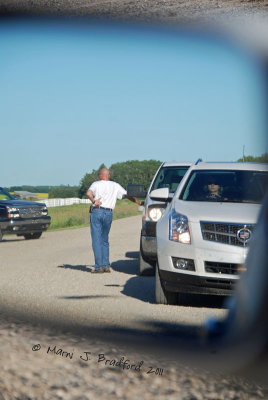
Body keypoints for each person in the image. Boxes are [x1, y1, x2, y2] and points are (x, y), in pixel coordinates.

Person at [86, 167, 143, 273]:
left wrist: (94, 201)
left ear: (100, 175)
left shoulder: (96, 184)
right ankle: (106, 265)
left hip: (97, 211)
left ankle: (99, 267)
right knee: (104, 239)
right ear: (108, 176)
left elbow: (88, 193)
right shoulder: (115, 185)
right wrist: (139, 203)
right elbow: (128, 195)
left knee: (96, 240)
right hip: (108, 213)